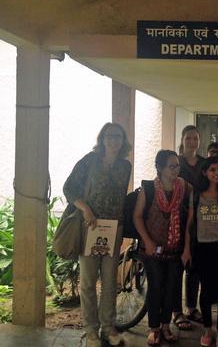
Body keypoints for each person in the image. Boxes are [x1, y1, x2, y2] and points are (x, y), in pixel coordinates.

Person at [63, 122, 131, 347]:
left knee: (111, 282)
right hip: (90, 227)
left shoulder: (125, 166)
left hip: (113, 229)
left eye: (118, 137)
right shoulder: (89, 161)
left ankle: (108, 328)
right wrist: (86, 209)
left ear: (123, 141)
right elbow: (70, 187)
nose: (114, 141)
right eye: (110, 136)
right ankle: (91, 331)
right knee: (89, 282)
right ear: (102, 139)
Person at [133, 150, 192, 345]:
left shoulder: (184, 188)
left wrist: (187, 248)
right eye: (171, 166)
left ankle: (166, 326)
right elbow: (138, 216)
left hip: (176, 249)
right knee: (156, 286)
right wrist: (147, 241)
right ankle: (154, 328)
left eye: (177, 166)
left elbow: (192, 216)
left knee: (171, 288)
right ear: (159, 167)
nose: (176, 170)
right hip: (152, 249)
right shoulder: (148, 189)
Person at [182, 156, 218, 347]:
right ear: (205, 172)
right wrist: (186, 249)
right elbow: (190, 223)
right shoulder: (197, 194)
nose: (217, 173)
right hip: (202, 247)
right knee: (206, 291)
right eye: (212, 170)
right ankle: (208, 330)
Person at [177, 125, 204, 327]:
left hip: (199, 219)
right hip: (176, 217)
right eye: (189, 138)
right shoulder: (175, 162)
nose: (192, 142)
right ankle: (176, 311)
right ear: (182, 139)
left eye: (195, 138)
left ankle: (192, 307)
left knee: (194, 266)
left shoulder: (204, 163)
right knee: (176, 267)